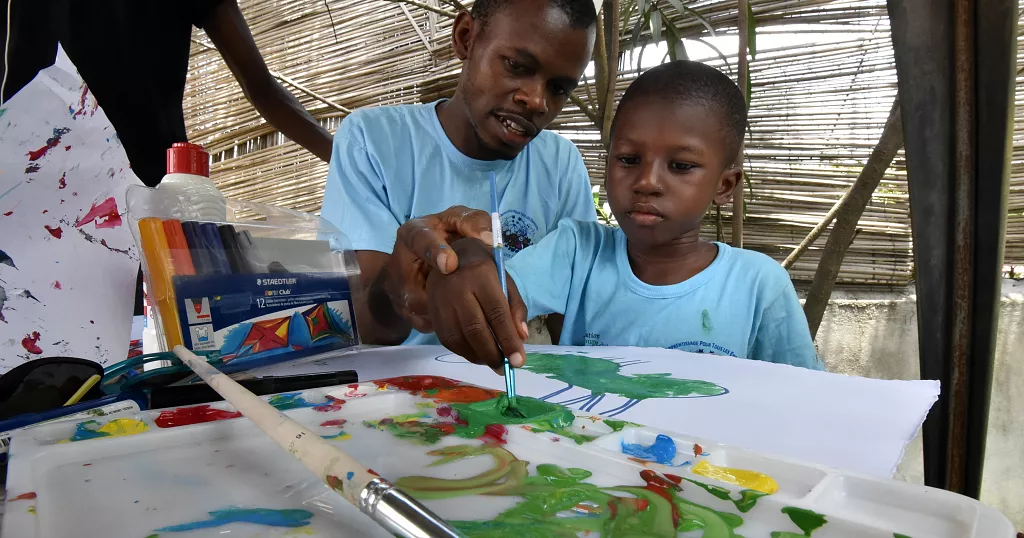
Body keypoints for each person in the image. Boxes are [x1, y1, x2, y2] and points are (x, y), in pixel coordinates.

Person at [422, 60, 824, 372]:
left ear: (724, 186)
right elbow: (501, 287)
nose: (646, 182)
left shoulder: (758, 285)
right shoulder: (578, 250)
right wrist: (471, 266)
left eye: (681, 166)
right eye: (629, 159)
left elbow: (802, 396)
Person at [321, 0, 599, 346]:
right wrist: (400, 284)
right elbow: (365, 327)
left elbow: (573, 327)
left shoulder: (560, 164)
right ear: (465, 37)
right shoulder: (373, 141)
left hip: (524, 390)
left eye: (558, 89)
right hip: (403, 392)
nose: (537, 101)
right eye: (516, 66)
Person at [1, 0, 333, 186]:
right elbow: (263, 89)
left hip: (142, 201)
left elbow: (262, 88)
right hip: (36, 195)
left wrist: (350, 160)